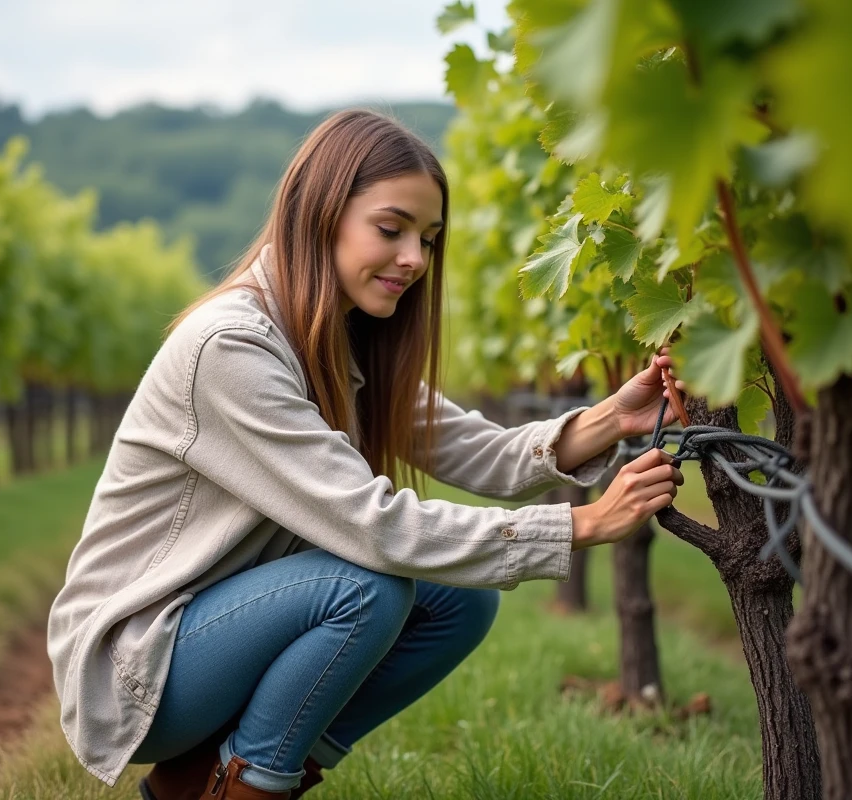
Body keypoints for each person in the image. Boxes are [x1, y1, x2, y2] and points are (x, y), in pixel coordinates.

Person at [46, 109, 685, 800]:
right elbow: (372, 526)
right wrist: (580, 525)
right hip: (140, 664)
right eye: (392, 229)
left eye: (428, 239)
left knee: (459, 604)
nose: (414, 257)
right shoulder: (232, 347)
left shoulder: (336, 339)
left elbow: (481, 451)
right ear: (320, 214)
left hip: (214, 634)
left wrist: (613, 418)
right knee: (365, 584)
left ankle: (210, 780)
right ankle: (248, 785)